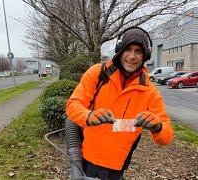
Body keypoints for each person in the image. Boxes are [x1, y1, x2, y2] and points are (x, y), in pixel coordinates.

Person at [65, 26, 173, 180]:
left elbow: (167, 137)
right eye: (128, 49)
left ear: (145, 56)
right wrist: (88, 116)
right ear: (120, 50)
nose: (132, 56)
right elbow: (73, 105)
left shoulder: (150, 92)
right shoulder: (98, 74)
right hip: (87, 162)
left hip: (117, 168)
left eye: (138, 51)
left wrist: (158, 126)